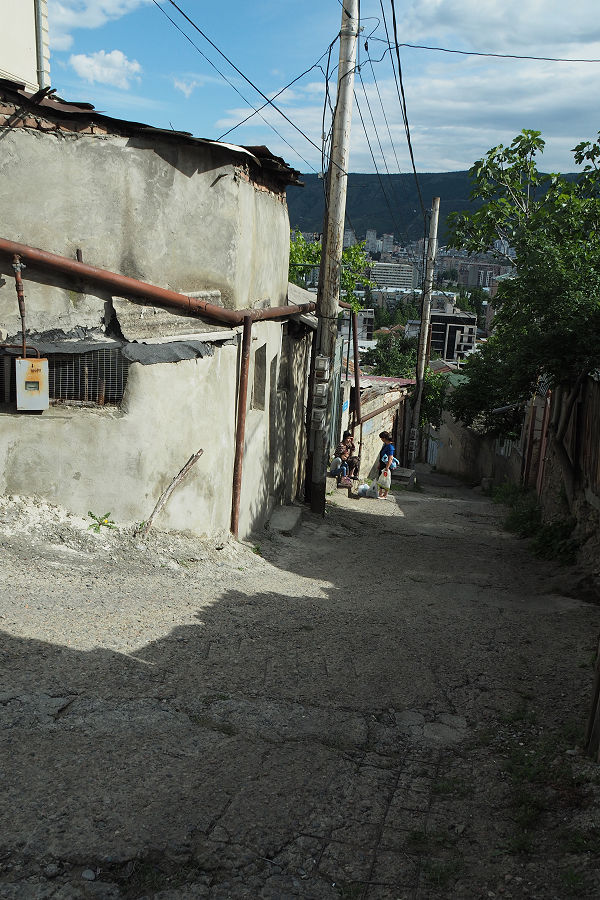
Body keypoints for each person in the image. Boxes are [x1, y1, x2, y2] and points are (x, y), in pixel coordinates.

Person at [378, 430, 395, 499]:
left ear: (384, 438)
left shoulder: (390, 447)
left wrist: (387, 468)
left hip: (386, 465)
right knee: (381, 479)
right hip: (382, 464)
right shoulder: (386, 445)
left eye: (381, 438)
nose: (381, 439)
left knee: (386, 480)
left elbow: (390, 458)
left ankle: (385, 495)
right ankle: (380, 493)